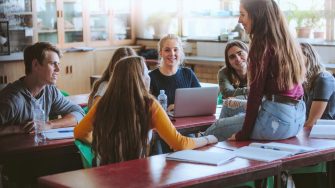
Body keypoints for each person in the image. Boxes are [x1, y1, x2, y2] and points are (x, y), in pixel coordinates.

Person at [74, 56, 217, 165]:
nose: (149, 76)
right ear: (139, 79)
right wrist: (208, 138)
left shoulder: (103, 103)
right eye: (145, 72)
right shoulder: (149, 105)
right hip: (137, 172)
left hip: (104, 172)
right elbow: (179, 143)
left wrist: (99, 144)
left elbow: (79, 132)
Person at [204, 0, 306, 141]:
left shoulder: (261, 45)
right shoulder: (287, 42)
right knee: (229, 108)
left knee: (216, 128)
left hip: (275, 121)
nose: (239, 20)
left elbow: (255, 95)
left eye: (242, 14)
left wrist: (242, 134)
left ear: (256, 16)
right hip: (297, 119)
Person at [0, 42, 85, 136]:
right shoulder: (12, 99)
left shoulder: (50, 91)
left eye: (58, 64)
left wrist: (49, 124)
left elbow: (79, 113)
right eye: (53, 64)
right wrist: (18, 129)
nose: (58, 69)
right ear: (35, 65)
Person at [149, 34, 201, 111]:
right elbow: (147, 108)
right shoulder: (151, 77)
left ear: (180, 52)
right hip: (164, 121)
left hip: (188, 119)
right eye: (167, 50)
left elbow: (200, 100)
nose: (172, 54)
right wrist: (166, 110)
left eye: (175, 49)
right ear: (161, 53)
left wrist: (177, 107)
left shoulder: (188, 74)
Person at [300, 43, 335, 127]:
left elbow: (313, 122)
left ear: (308, 57)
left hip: (324, 133)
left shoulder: (323, 79)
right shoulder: (305, 80)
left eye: (296, 56)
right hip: (311, 131)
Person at [218, 40, 249, 118]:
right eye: (232, 57)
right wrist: (250, 91)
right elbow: (227, 93)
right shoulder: (224, 72)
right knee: (228, 103)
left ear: (248, 53)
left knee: (229, 103)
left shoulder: (258, 69)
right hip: (233, 111)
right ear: (228, 62)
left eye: (240, 53)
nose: (238, 59)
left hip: (255, 108)